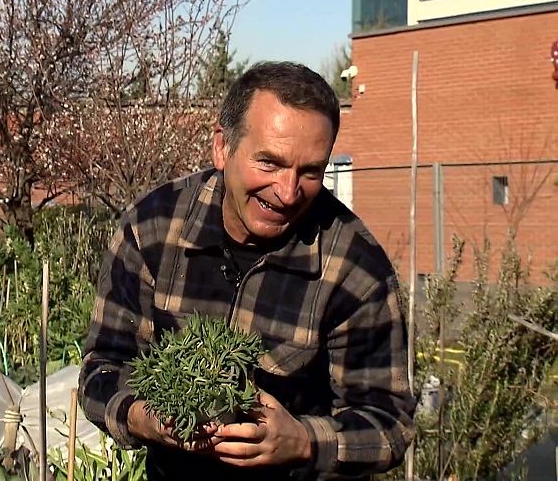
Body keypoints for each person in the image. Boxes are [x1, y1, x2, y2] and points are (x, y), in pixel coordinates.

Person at [78, 61, 415, 480]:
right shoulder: (152, 229)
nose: (288, 192)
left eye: (310, 171)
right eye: (270, 163)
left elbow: (389, 425)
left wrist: (304, 441)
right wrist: (145, 417)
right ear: (222, 147)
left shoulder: (355, 267)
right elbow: (101, 368)